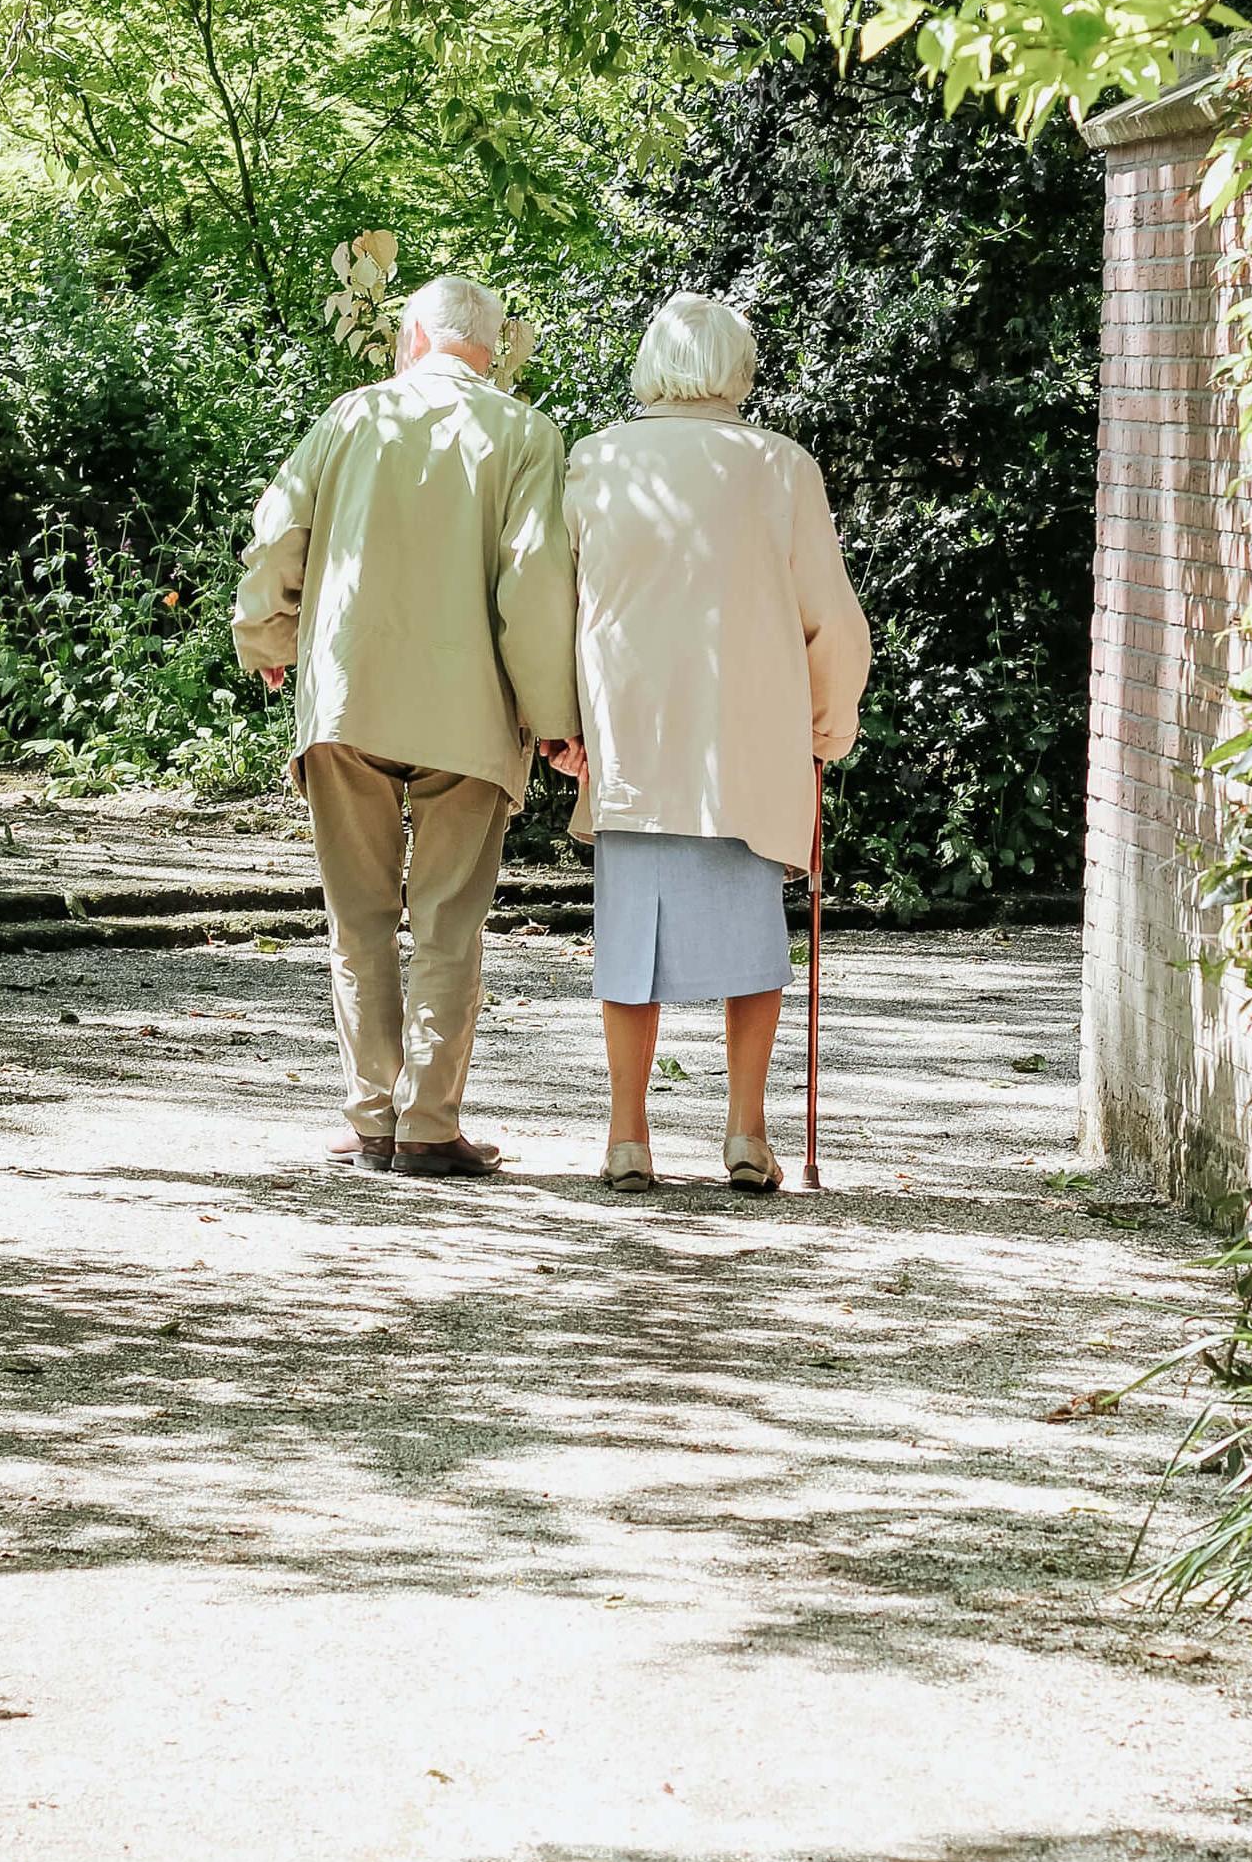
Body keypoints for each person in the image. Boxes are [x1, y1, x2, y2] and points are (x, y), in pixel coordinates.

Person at [232, 275, 580, 1177]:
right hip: (470, 711)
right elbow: (534, 583)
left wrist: (266, 633)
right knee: (448, 922)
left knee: (358, 916)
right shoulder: (526, 434)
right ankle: (428, 1125)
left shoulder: (349, 418)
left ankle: (370, 1117)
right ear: (492, 349)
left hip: (350, 695)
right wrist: (553, 718)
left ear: (412, 338)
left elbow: (279, 535)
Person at [554, 291, 871, 1195]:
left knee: (628, 943)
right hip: (749, 740)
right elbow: (833, 622)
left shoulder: (596, 461)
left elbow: (556, 606)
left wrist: (560, 725)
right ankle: (745, 1131)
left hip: (635, 737)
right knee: (752, 941)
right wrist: (827, 725)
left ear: (652, 363)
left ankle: (627, 1135)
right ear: (739, 368)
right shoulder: (780, 468)